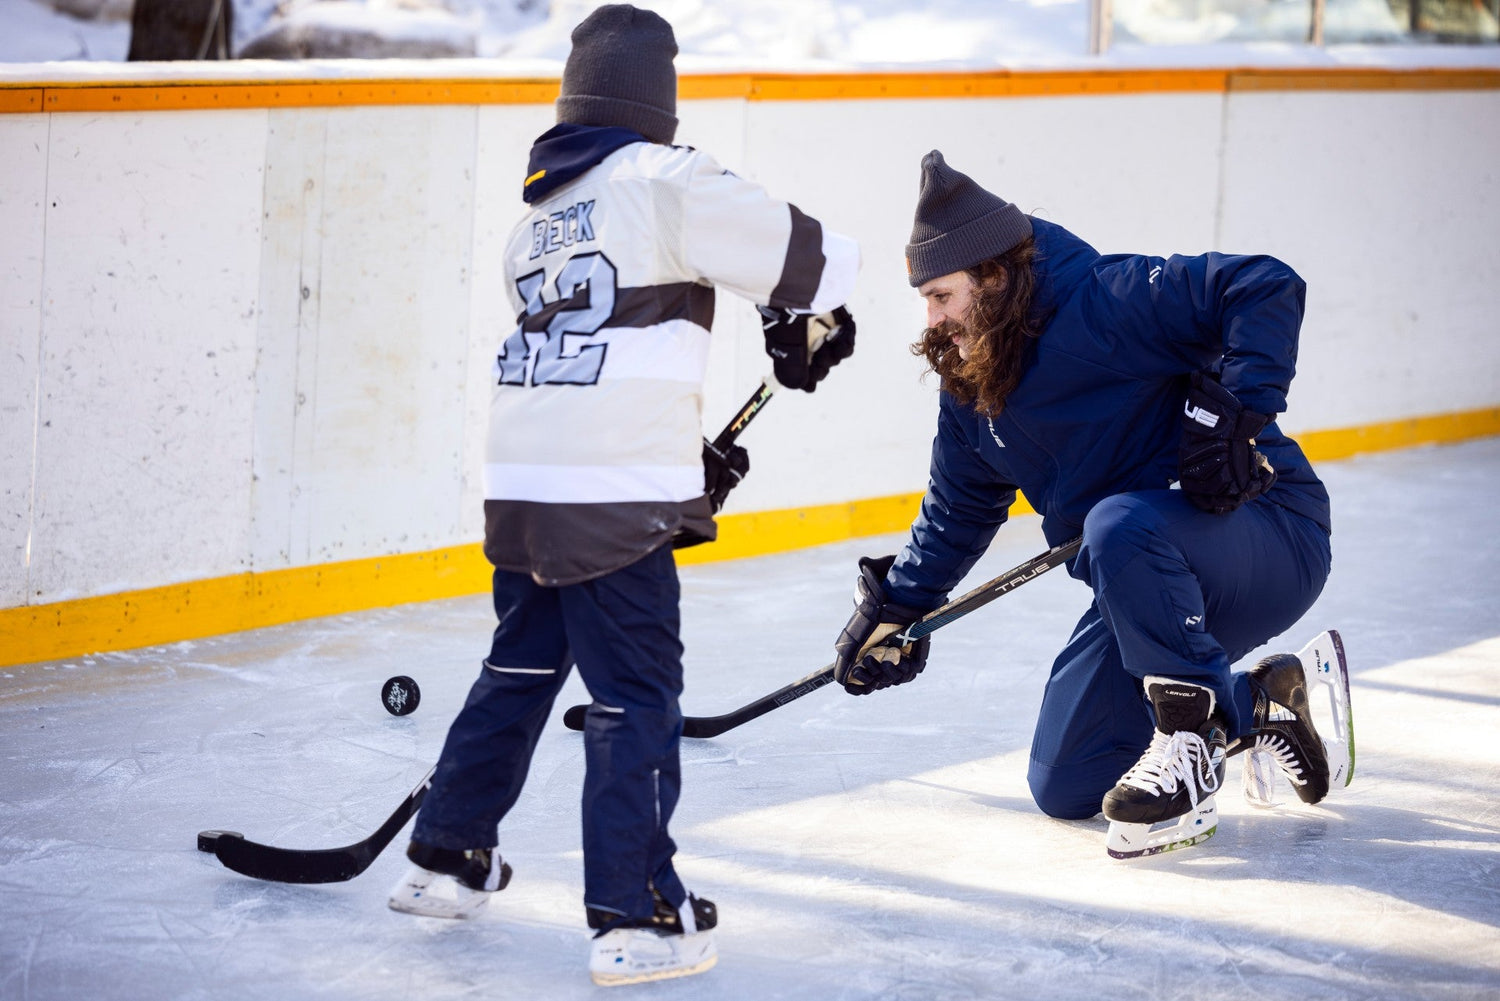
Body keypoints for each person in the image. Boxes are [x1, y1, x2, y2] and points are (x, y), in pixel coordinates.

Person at [387, 4, 859, 987]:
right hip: (607, 492)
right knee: (638, 692)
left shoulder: (534, 225)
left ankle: (447, 854)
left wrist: (680, 466)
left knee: (520, 666)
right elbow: (822, 262)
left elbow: (593, 369)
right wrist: (800, 312)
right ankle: (637, 911)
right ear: (657, 102)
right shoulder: (666, 177)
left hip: (522, 485)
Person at [832, 150, 1351, 859]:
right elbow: (958, 507)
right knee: (1065, 782)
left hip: (1267, 533)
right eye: (923, 297)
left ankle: (1191, 743)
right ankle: (1259, 700)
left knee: (1117, 521)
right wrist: (895, 608)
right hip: (1144, 586)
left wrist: (1233, 415)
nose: (932, 318)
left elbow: (1263, 284)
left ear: (994, 276)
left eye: (943, 295)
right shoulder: (975, 388)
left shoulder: (1109, 299)